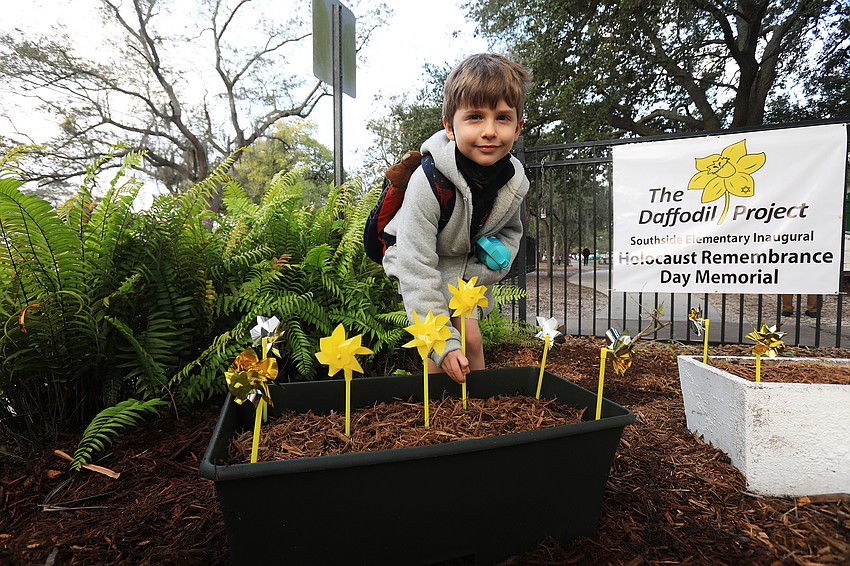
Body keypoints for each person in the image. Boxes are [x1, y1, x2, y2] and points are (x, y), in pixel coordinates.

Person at [382, 53, 531, 384]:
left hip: (463, 267)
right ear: (450, 126)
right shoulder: (430, 180)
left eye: (503, 118)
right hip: (414, 257)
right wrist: (442, 345)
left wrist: (482, 269)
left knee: (471, 340)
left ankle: (480, 413)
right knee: (440, 350)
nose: (490, 131)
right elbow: (416, 267)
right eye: (475, 117)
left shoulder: (514, 182)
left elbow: (510, 234)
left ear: (518, 127)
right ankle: (438, 422)